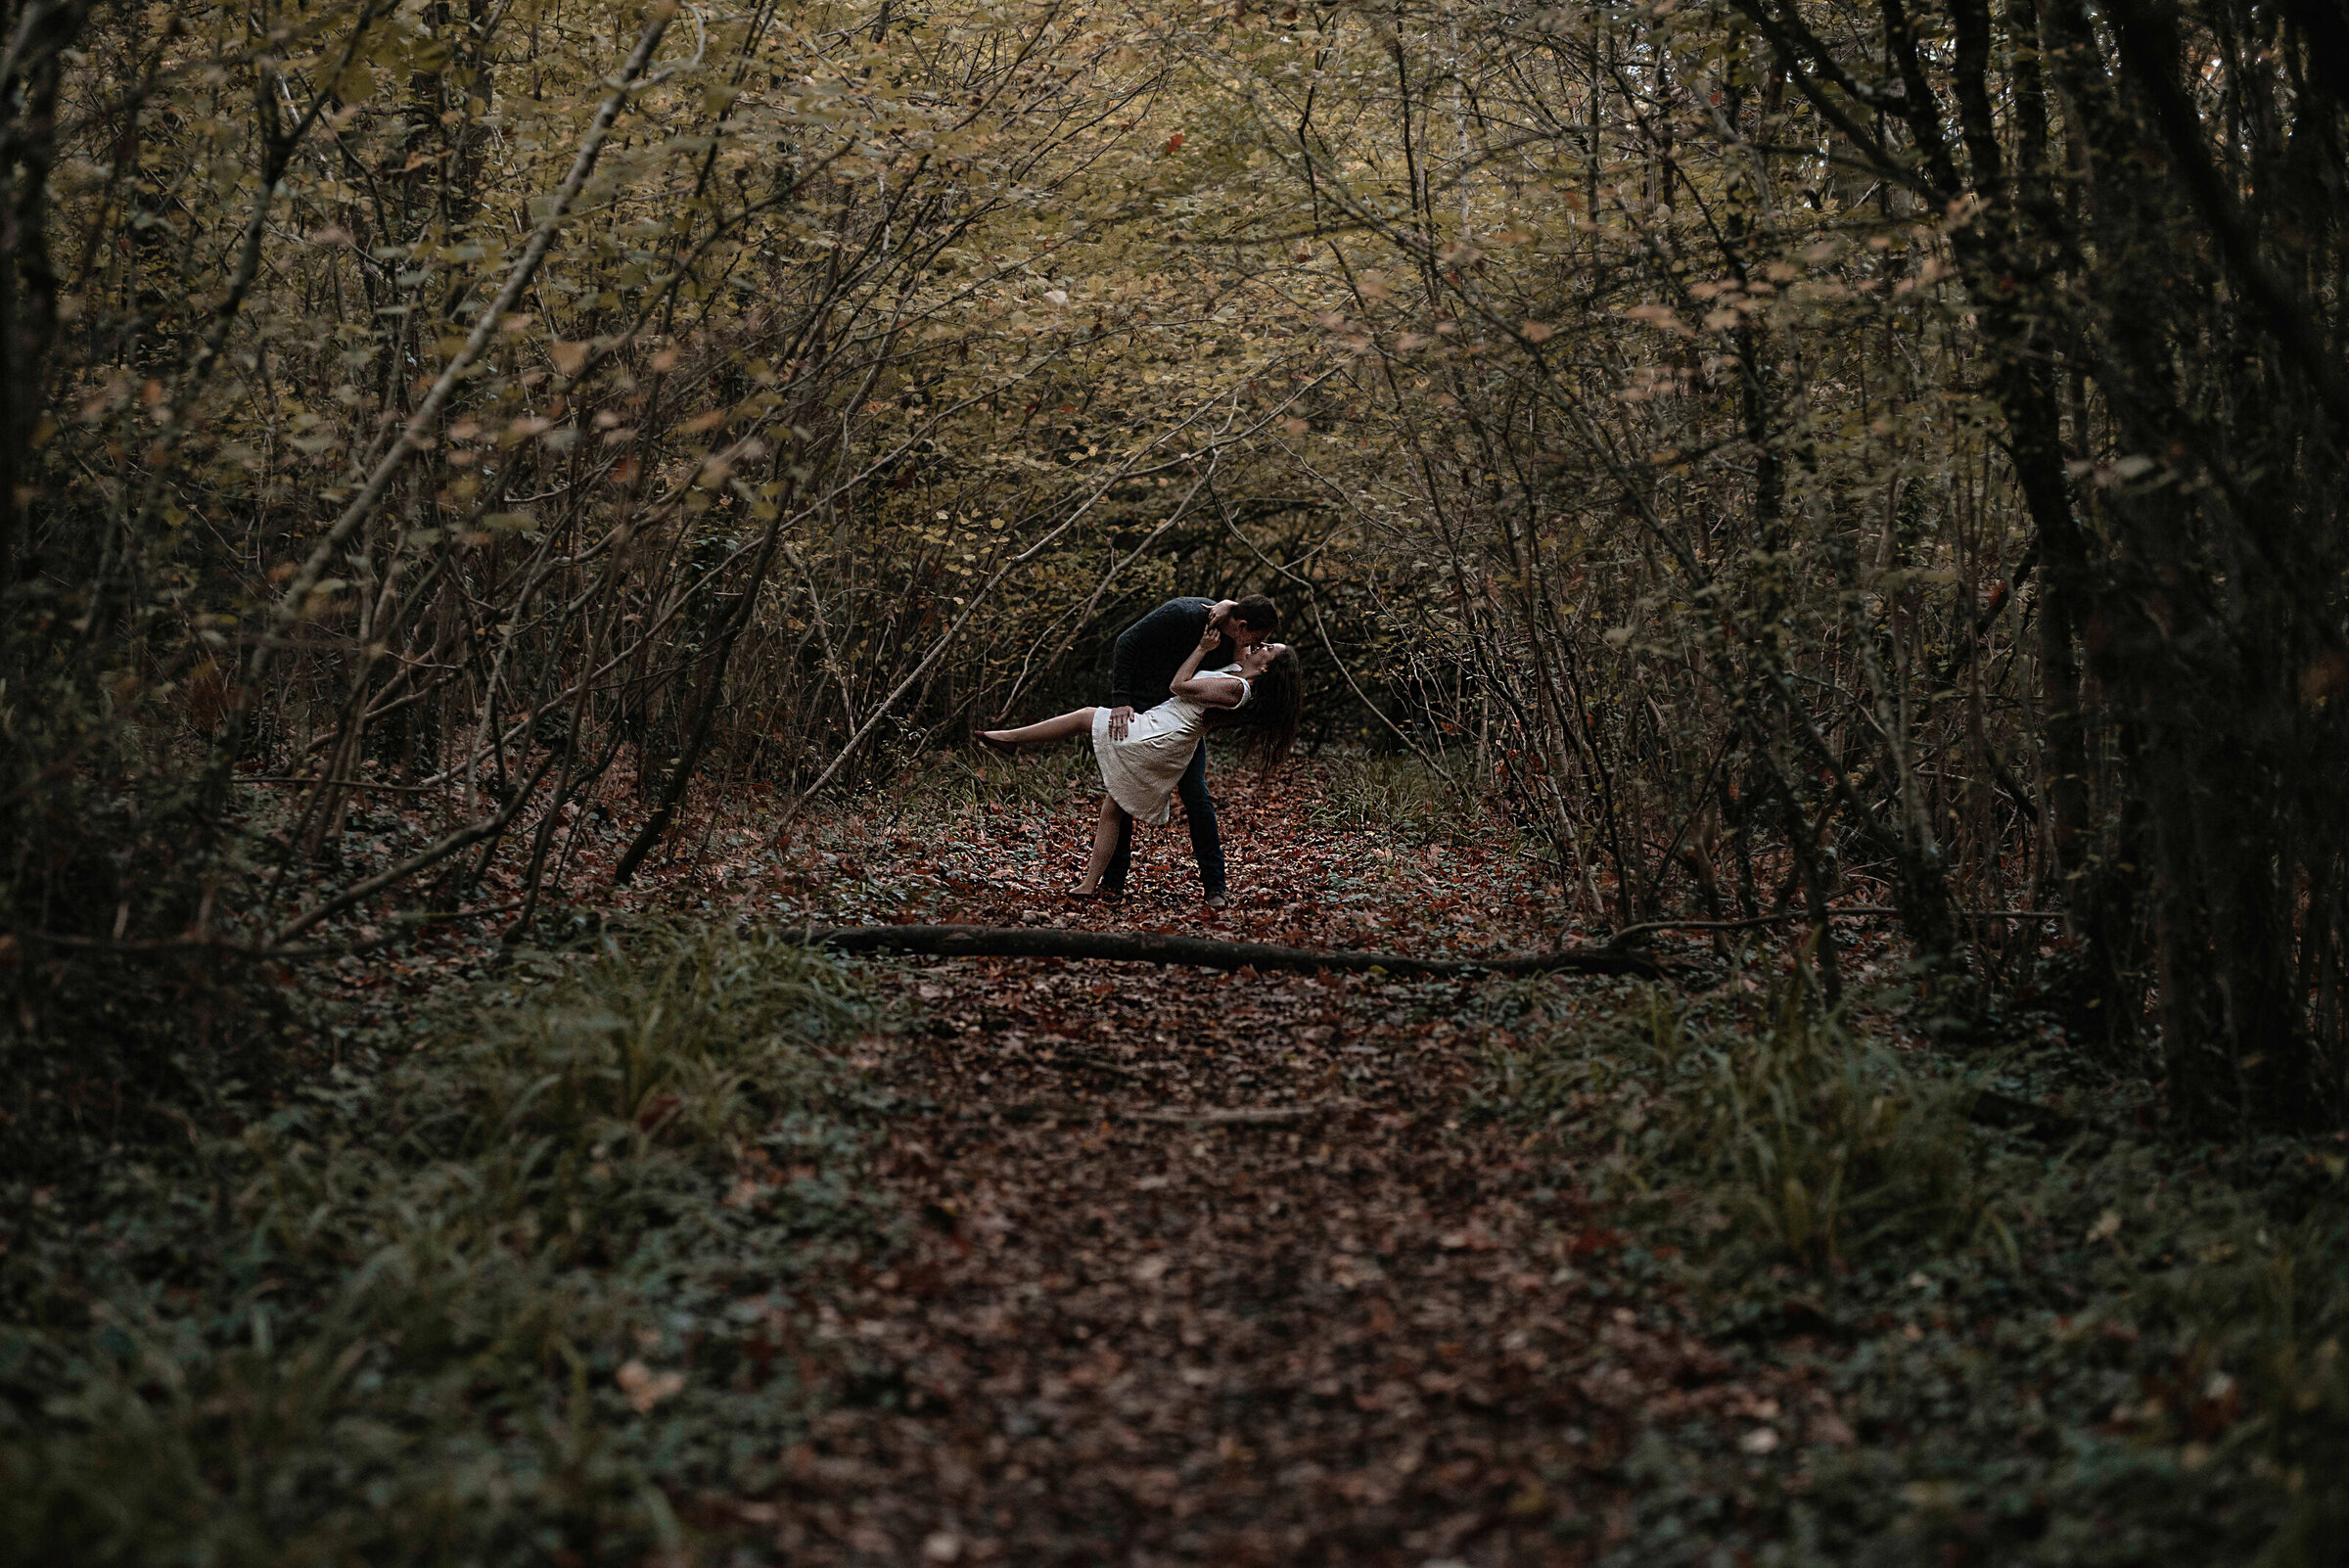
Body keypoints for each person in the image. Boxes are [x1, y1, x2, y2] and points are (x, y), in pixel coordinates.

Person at [975, 599, 1302, 901]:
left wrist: (1202, 649)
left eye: (1268, 646)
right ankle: (1096, 884)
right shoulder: (1232, 659)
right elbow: (1238, 627)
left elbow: (1179, 686)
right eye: (1261, 639)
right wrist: (1229, 604)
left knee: (1085, 719)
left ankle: (1009, 737)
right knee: (1113, 808)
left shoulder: (1236, 686)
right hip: (1164, 727)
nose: (1259, 645)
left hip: (1162, 734)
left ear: (1267, 668)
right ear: (1242, 626)